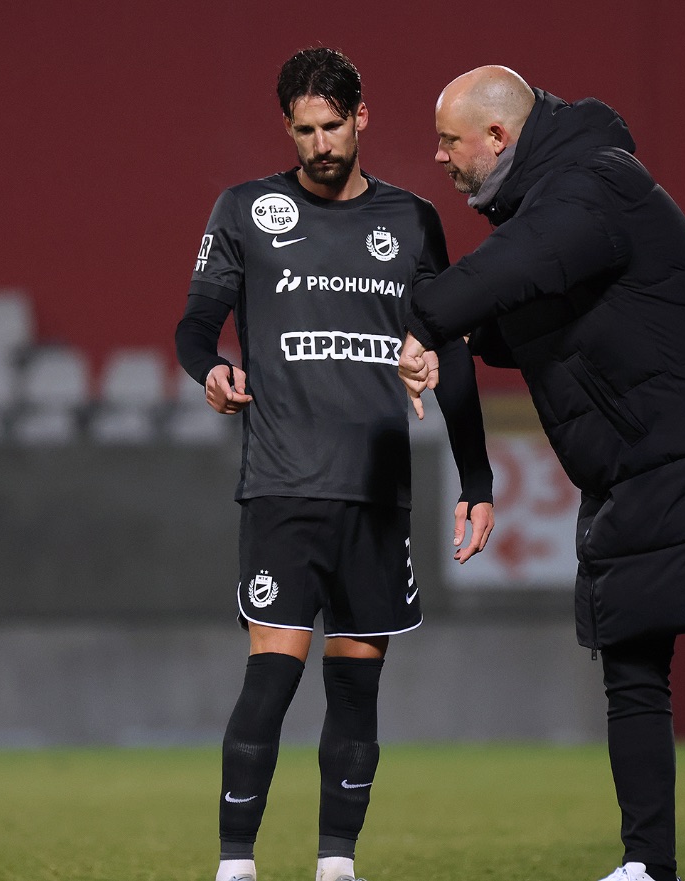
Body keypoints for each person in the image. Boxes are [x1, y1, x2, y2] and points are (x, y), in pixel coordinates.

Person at [398, 66, 685, 881]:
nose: (441, 158)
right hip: (630, 469)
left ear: (498, 136)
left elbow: (508, 272)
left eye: (450, 142)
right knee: (631, 669)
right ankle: (646, 864)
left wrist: (424, 319)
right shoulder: (546, 212)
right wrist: (449, 333)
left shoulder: (594, 182)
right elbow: (516, 311)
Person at [175, 48, 495, 881]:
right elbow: (196, 324)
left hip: (376, 495)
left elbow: (451, 354)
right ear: (287, 128)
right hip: (283, 488)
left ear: (362, 117)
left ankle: (337, 865)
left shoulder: (413, 221)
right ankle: (236, 865)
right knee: (271, 682)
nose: (319, 144)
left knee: (356, 690)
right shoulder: (246, 210)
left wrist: (477, 480)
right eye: (303, 130)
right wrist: (210, 367)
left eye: (332, 126)